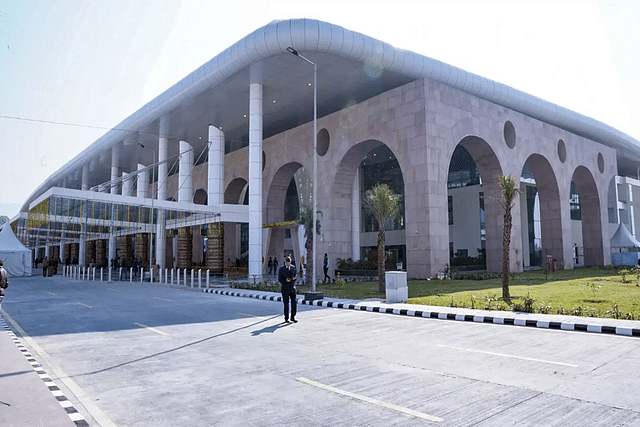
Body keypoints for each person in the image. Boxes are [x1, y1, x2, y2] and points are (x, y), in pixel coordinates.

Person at [278, 256, 298, 323]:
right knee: (286, 304)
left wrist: (293, 279)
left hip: (292, 287)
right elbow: (279, 279)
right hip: (285, 288)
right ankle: (286, 318)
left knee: (294, 303)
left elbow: (295, 276)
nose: (288, 264)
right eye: (287, 263)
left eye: (289, 263)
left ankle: (293, 317)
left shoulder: (293, 268)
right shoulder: (281, 269)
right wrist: (285, 280)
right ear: (285, 262)